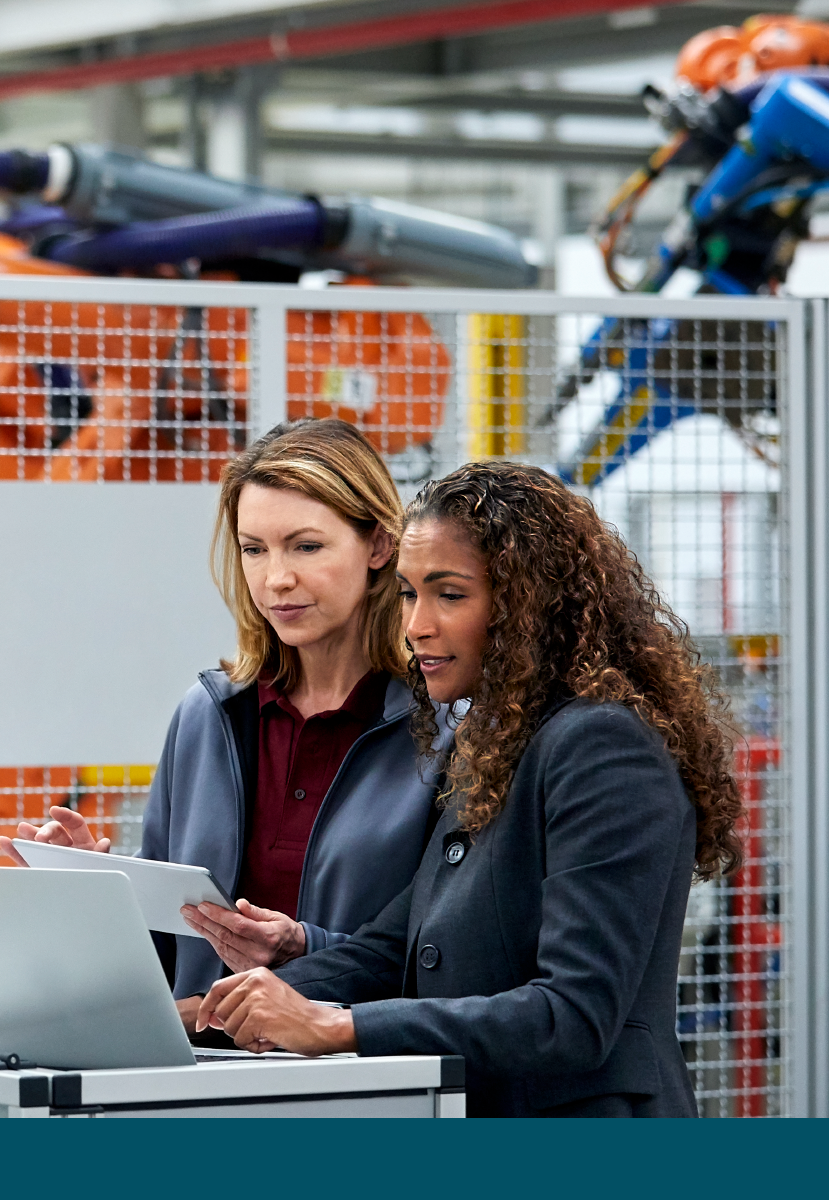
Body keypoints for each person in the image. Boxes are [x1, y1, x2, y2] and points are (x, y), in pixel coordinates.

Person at [194, 460, 743, 1117]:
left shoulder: (603, 747)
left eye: (449, 595)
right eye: (407, 594)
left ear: (525, 605)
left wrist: (341, 1028)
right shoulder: (499, 744)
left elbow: (574, 1014)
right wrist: (216, 1010)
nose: (416, 625)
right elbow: (392, 949)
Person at [0, 419, 443, 1024]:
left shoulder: (444, 730)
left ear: (379, 547)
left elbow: (452, 960)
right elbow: (160, 960)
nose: (274, 578)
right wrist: (89, 893)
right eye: (253, 549)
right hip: (206, 1083)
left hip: (372, 1082)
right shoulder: (207, 718)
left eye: (305, 546)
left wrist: (305, 948)